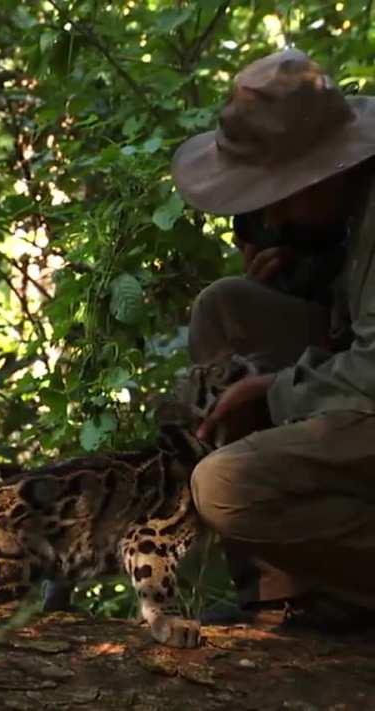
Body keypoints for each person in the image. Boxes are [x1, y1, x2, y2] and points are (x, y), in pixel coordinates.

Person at [171, 48, 375, 626]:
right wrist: (300, 276)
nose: (272, 214)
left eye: (276, 194)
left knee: (225, 486)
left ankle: (344, 591)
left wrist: (274, 390)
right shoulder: (349, 205)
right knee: (227, 306)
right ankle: (282, 592)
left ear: (323, 170)